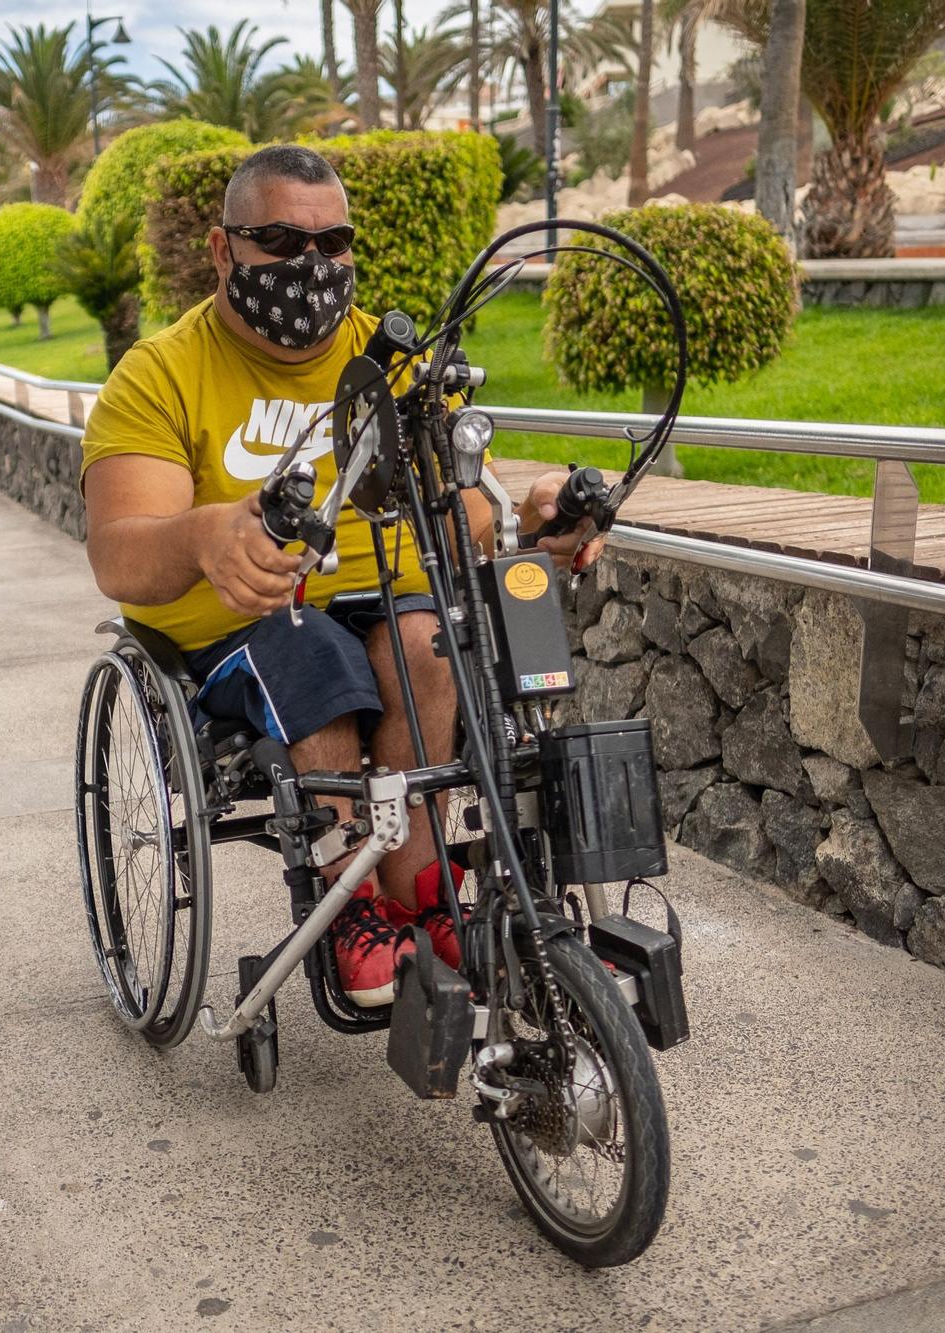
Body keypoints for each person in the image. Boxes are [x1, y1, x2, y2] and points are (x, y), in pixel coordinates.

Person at [79, 144, 600, 1007]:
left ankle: (421, 895)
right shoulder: (160, 373)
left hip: (386, 598)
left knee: (432, 641)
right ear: (222, 251)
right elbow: (117, 551)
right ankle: (348, 903)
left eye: (334, 244)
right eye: (280, 243)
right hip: (242, 626)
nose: (312, 268)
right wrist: (209, 536)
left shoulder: (392, 366)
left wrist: (537, 521)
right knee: (312, 648)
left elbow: (469, 511)